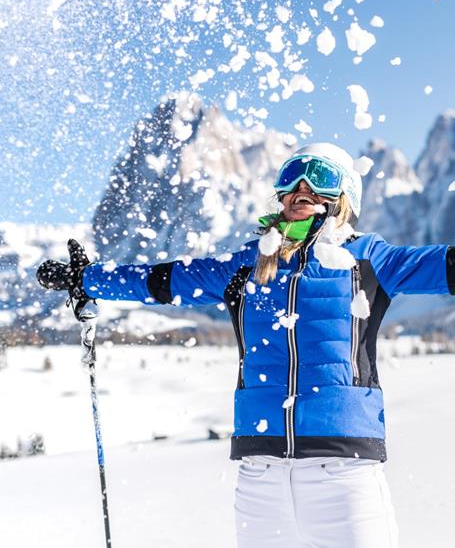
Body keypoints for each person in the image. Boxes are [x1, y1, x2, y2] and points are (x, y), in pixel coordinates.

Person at [37, 142, 455, 548]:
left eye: (320, 177)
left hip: (344, 477)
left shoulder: (369, 261)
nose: (302, 188)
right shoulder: (246, 266)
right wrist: (89, 280)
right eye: (291, 177)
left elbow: (445, 265)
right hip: (261, 479)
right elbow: (164, 281)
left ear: (343, 197)